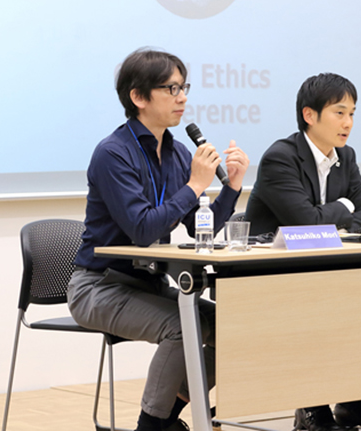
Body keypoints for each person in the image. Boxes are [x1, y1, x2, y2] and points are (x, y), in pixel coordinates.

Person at [67, 48, 249, 431]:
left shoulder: (179, 152)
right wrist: (197, 183)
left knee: (235, 324)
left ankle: (167, 417)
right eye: (171, 88)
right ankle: (150, 426)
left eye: (184, 87)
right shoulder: (113, 153)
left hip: (146, 284)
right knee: (182, 327)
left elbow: (200, 228)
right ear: (139, 97)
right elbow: (143, 229)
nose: (183, 97)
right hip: (98, 287)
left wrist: (231, 187)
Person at [245, 73, 361, 431]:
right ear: (310, 115)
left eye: (353, 114)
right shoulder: (281, 157)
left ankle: (353, 402)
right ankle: (310, 407)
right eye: (340, 113)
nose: (348, 123)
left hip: (323, 269)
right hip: (268, 276)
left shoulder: (346, 156)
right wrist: (344, 208)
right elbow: (305, 222)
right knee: (318, 305)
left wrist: (338, 218)